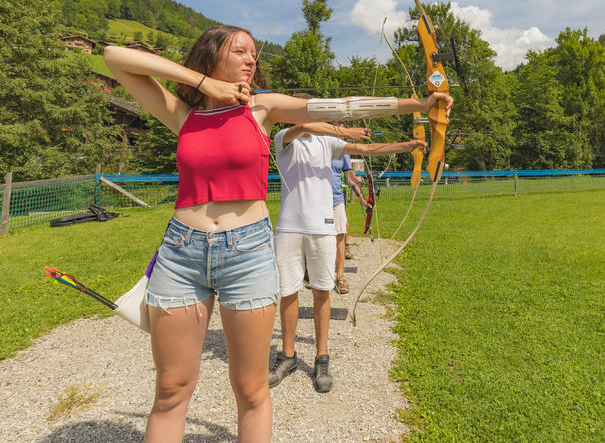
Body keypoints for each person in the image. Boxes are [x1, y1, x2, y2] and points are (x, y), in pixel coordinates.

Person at [103, 24, 451, 442]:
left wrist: (419, 103)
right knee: (171, 389)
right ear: (211, 56)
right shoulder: (183, 114)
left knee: (251, 389)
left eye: (254, 54)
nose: (252, 60)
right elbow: (113, 57)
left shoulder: (261, 109)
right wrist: (201, 82)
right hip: (182, 253)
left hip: (246, 252)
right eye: (239, 52)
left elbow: (340, 107)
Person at [268, 128, 425, 392]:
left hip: (323, 227)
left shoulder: (327, 142)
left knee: (321, 292)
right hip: (289, 228)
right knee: (288, 292)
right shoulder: (284, 137)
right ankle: (288, 355)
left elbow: (364, 150)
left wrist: (406, 146)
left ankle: (321, 357)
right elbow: (302, 125)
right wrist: (342, 129)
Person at [333, 149, 368, 292]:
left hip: (336, 200)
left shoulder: (343, 153)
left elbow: (350, 178)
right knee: (318, 240)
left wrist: (363, 199)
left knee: (340, 238)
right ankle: (316, 275)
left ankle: (339, 277)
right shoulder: (317, 146)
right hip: (317, 201)